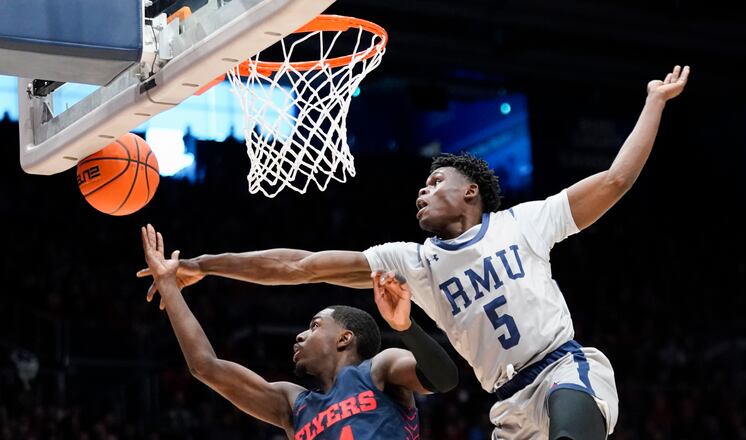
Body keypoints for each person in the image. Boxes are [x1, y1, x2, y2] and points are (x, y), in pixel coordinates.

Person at [138, 65, 690, 439]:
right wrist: (200, 267)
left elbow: (615, 180)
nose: (423, 191)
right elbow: (298, 266)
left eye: (435, 180)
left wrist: (653, 103)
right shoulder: (412, 262)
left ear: (470, 192)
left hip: (562, 366)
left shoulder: (525, 222)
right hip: (506, 403)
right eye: (422, 185)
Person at [138, 224, 458, 439]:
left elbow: (443, 379)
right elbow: (205, 366)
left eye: (315, 326)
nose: (300, 336)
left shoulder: (380, 370)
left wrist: (406, 327)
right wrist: (168, 286)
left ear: (345, 338)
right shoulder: (293, 404)